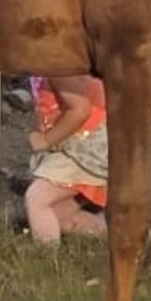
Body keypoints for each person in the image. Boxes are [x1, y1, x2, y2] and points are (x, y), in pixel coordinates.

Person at [24, 73, 108, 244]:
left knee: (37, 199)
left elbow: (80, 109)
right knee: (59, 215)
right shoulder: (46, 64)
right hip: (75, 146)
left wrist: (46, 140)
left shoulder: (56, 65)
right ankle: (122, 233)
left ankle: (46, 263)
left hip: (84, 148)